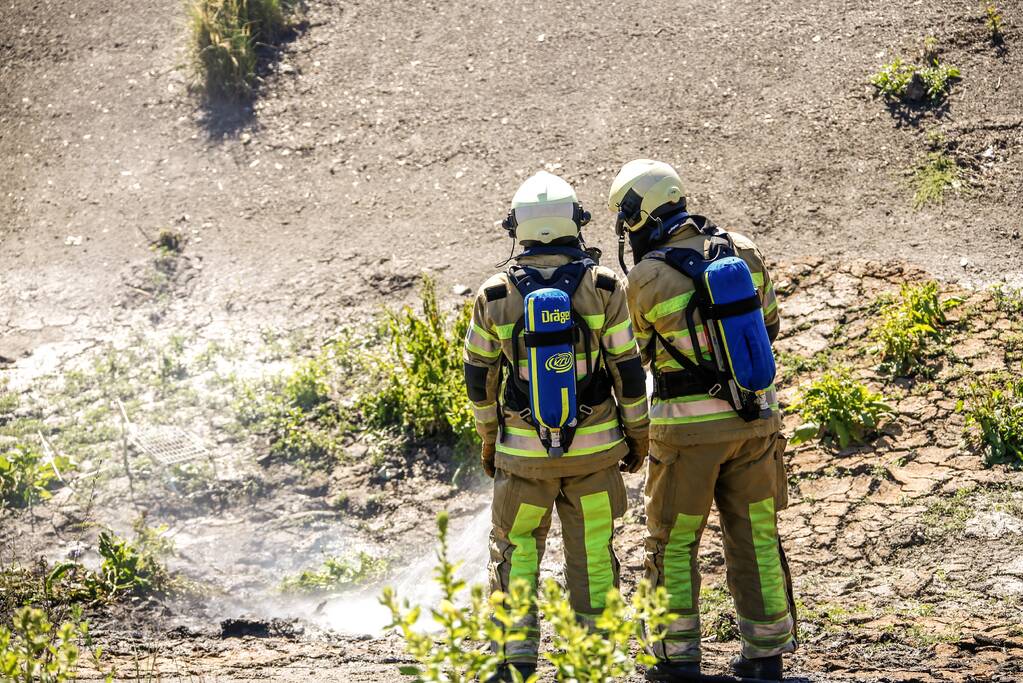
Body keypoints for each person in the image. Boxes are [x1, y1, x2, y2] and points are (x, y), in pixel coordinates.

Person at [607, 159, 796, 682]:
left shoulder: (645, 278)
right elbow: (771, 326)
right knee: (756, 534)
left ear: (639, 216)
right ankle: (766, 657)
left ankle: (675, 658)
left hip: (685, 435)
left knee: (673, 540)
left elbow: (639, 354)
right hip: (757, 422)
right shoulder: (745, 250)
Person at [463, 170, 650, 682]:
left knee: (516, 553)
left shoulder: (494, 294)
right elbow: (628, 372)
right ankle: (593, 663)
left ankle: (514, 663)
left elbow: (479, 379)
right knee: (591, 555)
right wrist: (638, 436)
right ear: (574, 223)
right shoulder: (606, 286)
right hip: (595, 456)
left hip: (523, 460)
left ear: (518, 229)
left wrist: (489, 439)